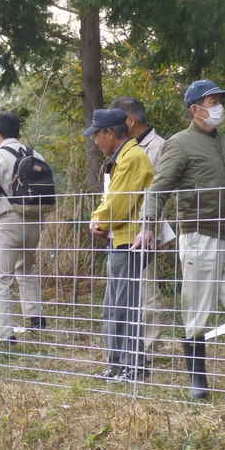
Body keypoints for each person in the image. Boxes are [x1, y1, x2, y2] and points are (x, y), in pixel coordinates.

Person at [133, 80, 225, 398]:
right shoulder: (178, 144)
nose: (219, 105)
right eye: (213, 100)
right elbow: (159, 188)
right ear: (195, 109)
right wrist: (148, 225)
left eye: (220, 99)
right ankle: (198, 383)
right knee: (198, 311)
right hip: (198, 238)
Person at [86, 108, 155, 381]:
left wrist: (99, 221)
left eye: (97, 135)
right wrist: (98, 218)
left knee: (124, 307)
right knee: (114, 306)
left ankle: (134, 368)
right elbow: (112, 199)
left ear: (110, 133)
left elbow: (118, 204)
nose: (95, 141)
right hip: (122, 240)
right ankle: (117, 366)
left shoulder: (132, 158)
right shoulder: (125, 157)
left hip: (131, 243)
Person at [0, 112, 46, 343]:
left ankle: (4, 335)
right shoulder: (36, 154)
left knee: (1, 278)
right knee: (27, 266)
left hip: (10, 220)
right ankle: (36, 317)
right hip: (37, 220)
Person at [109, 96, 168, 358]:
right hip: (124, 227)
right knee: (128, 289)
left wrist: (150, 226)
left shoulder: (158, 147)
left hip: (148, 227)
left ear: (130, 121)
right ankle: (132, 348)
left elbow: (157, 193)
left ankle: (149, 346)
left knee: (146, 285)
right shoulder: (126, 148)